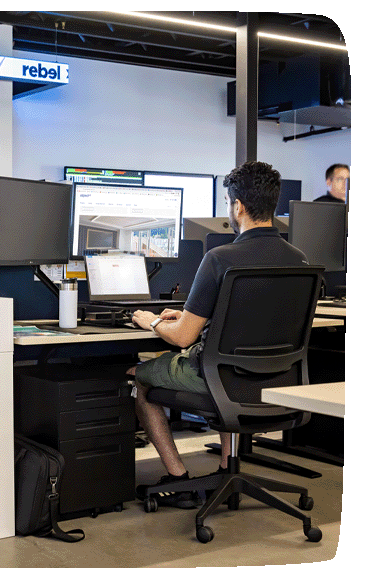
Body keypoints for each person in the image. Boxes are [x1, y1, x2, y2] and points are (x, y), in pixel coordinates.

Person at [127, 160, 309, 509]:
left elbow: (182, 339)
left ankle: (178, 478)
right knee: (223, 360)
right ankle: (227, 466)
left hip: (222, 380)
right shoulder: (299, 259)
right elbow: (253, 319)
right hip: (276, 381)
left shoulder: (220, 258)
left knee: (141, 379)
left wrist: (152, 321)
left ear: (237, 206)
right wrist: (201, 316)